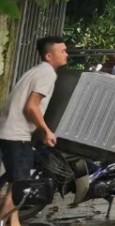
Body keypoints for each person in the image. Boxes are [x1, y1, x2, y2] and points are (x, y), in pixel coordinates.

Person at [0, 35, 69, 226]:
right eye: (62, 51)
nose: (66, 54)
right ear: (49, 56)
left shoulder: (36, 71)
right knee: (20, 189)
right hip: (17, 136)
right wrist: (46, 130)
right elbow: (31, 107)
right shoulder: (47, 73)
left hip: (8, 133)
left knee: (16, 184)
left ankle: (12, 223)